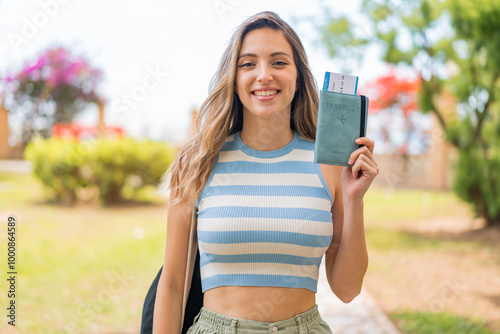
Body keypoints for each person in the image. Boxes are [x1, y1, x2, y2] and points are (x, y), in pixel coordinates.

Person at [152, 11, 379, 334]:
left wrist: (355, 201)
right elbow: (173, 284)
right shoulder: (198, 163)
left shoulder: (329, 167)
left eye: (278, 62)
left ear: (298, 76)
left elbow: (347, 289)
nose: (263, 75)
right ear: (233, 77)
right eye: (248, 64)